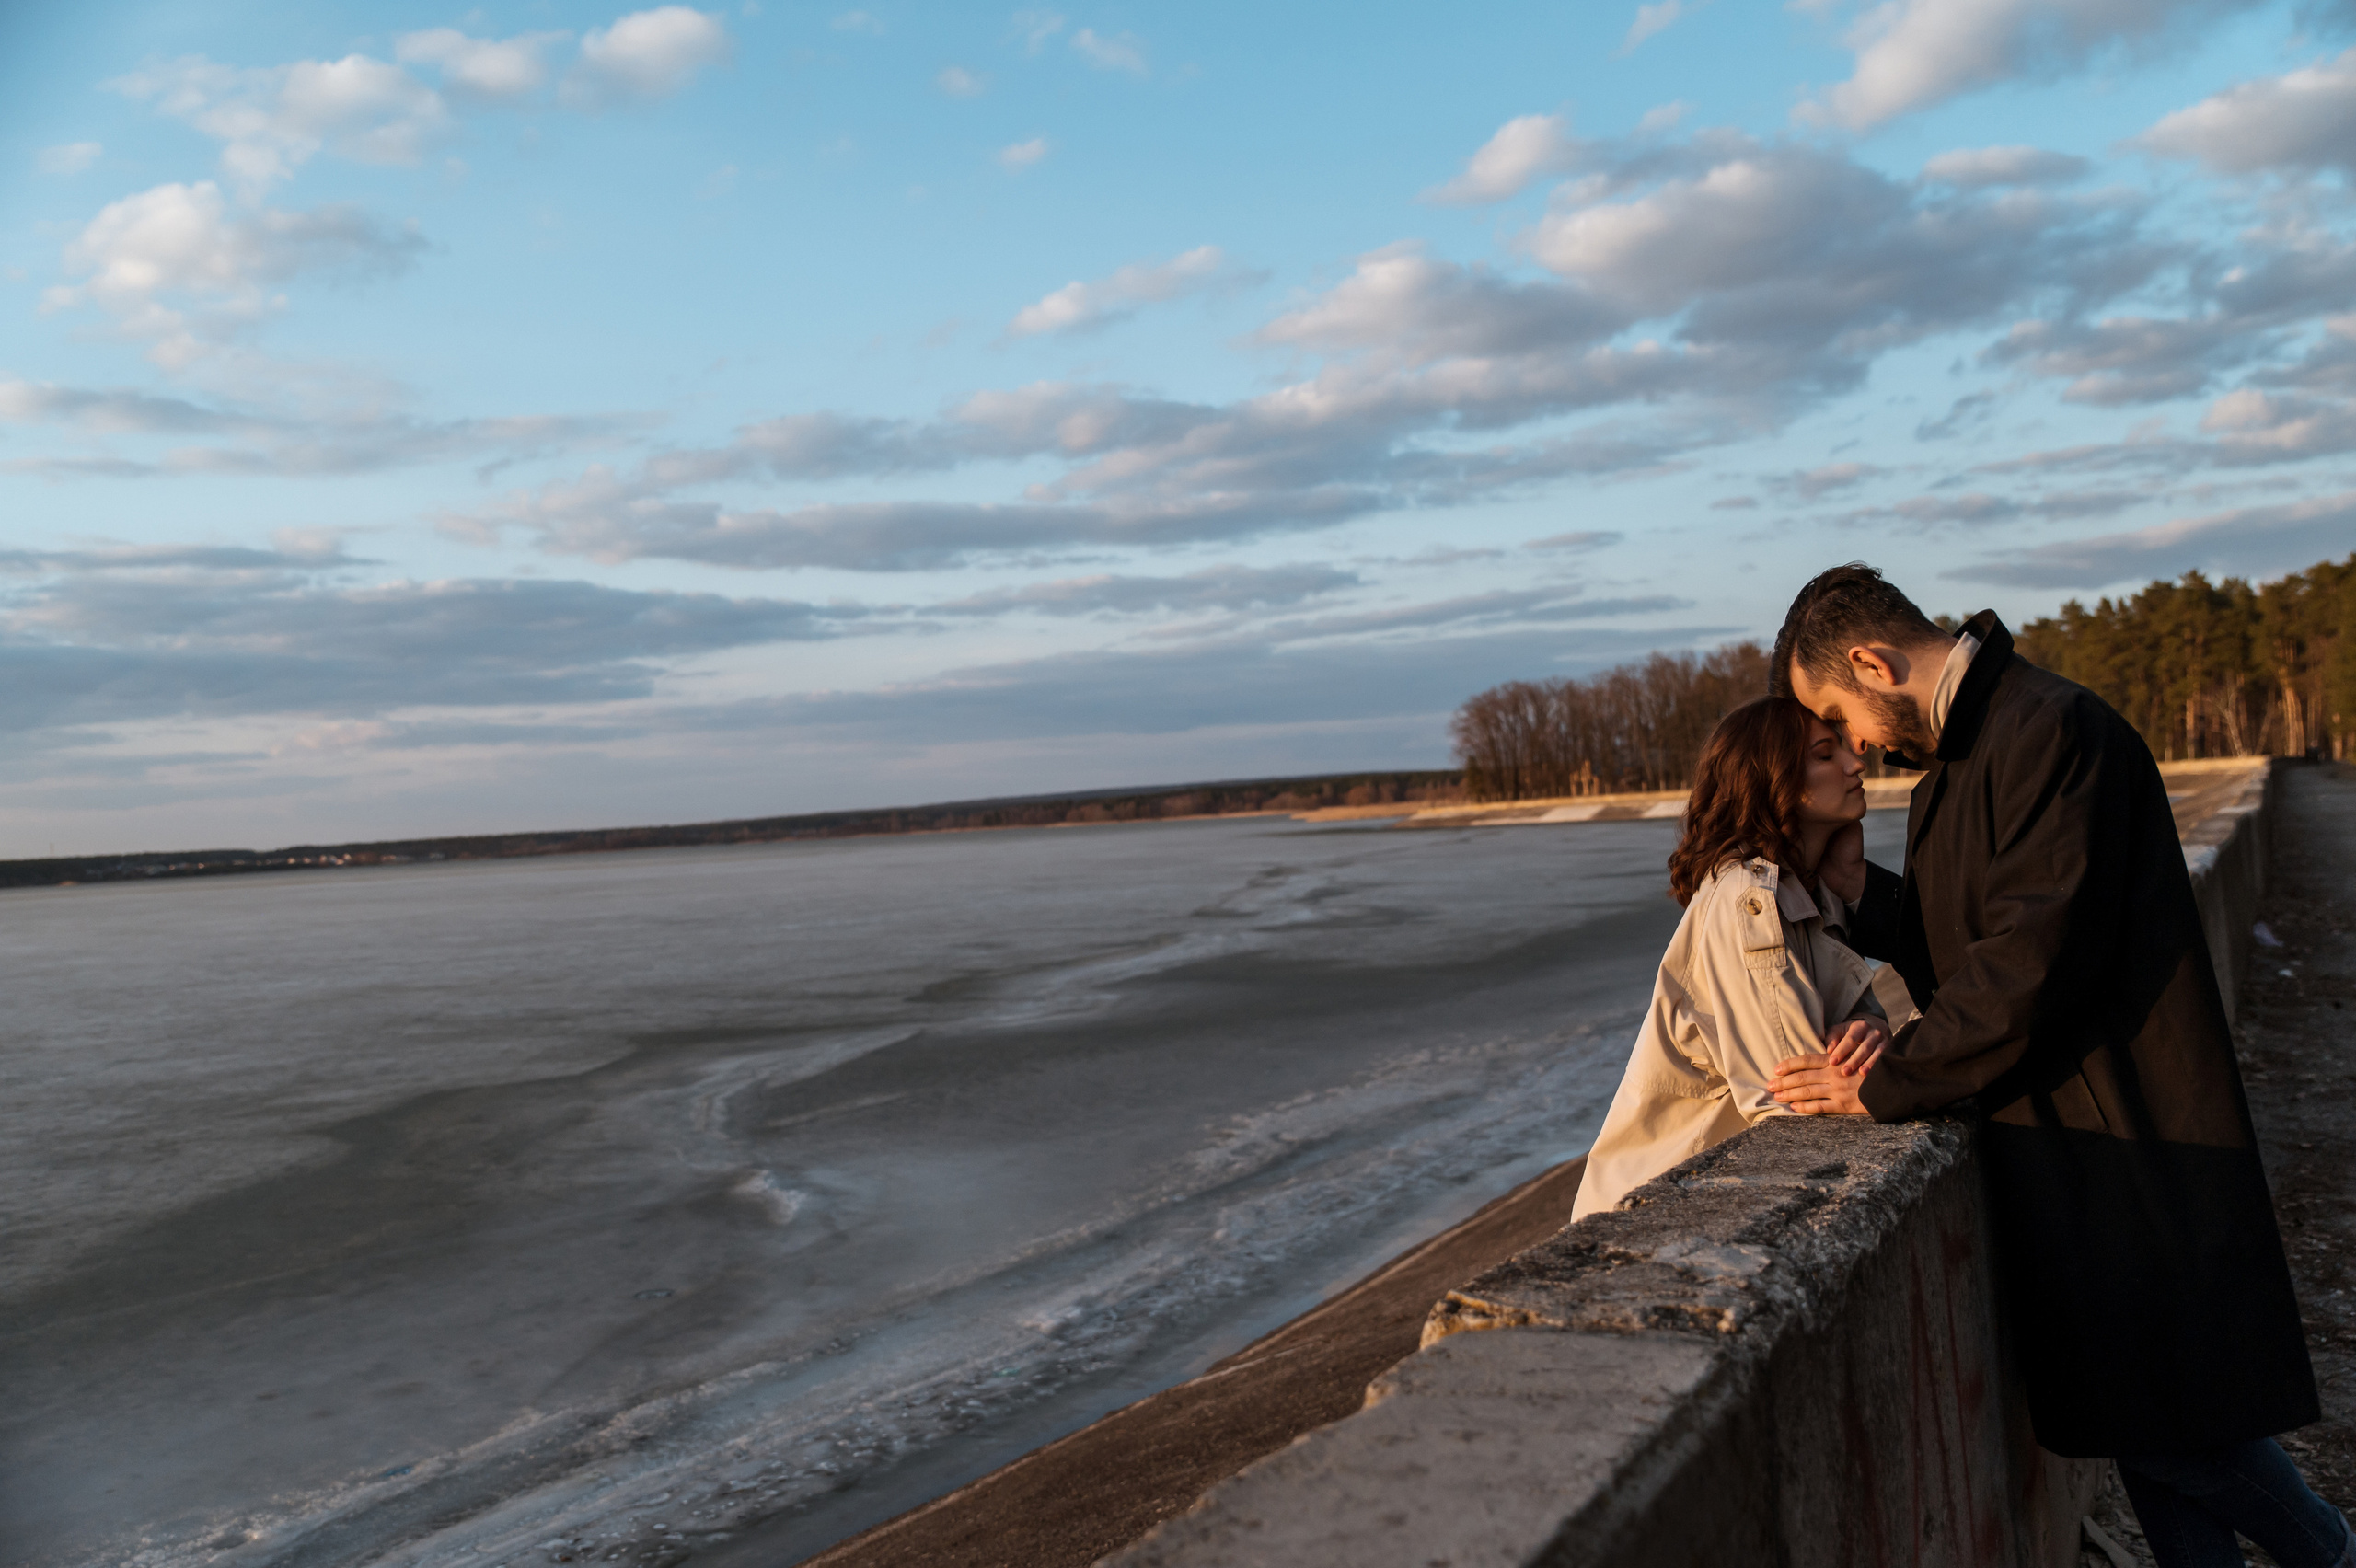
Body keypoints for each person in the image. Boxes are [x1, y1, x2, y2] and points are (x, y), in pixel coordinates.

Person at [1763, 563, 2346, 1568]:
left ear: (1871, 661)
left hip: (2131, 1139)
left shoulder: (2050, 730)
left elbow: (2030, 961)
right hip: (2087, 1140)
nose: (1852, 746)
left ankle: (2331, 1551)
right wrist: (1866, 896)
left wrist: (1887, 1082)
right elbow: (1978, 940)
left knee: (2163, 1428)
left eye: (1836, 715)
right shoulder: (1983, 743)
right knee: (2154, 1428)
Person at [1571, 695, 1891, 1220]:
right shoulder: (1750, 899)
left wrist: (1868, 1030)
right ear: (1775, 779)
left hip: (1699, 1208)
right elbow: (1796, 1100)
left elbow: (1835, 1050)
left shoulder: (1810, 888)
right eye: (1825, 754)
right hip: (1655, 1217)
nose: (1856, 763)